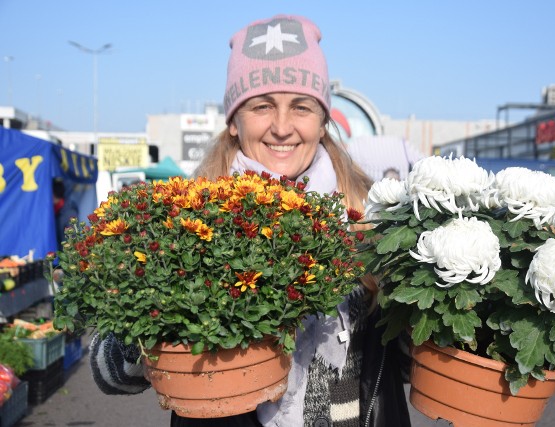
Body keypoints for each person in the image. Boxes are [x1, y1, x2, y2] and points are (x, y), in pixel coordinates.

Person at [88, 14, 411, 427]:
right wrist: (158, 313)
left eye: (300, 106)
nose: (281, 127)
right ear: (234, 123)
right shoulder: (185, 218)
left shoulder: (370, 215)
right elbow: (107, 373)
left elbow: (401, 366)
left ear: (323, 119)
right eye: (261, 106)